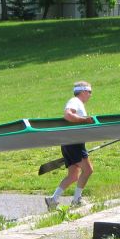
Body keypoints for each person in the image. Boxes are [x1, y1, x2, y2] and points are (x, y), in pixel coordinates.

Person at [45, 81, 95, 209]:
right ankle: (77, 200)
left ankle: (53, 199)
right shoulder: (75, 101)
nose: (90, 95)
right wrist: (84, 120)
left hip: (70, 141)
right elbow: (68, 115)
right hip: (73, 142)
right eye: (89, 92)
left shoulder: (78, 103)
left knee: (73, 176)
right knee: (88, 170)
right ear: (83, 91)